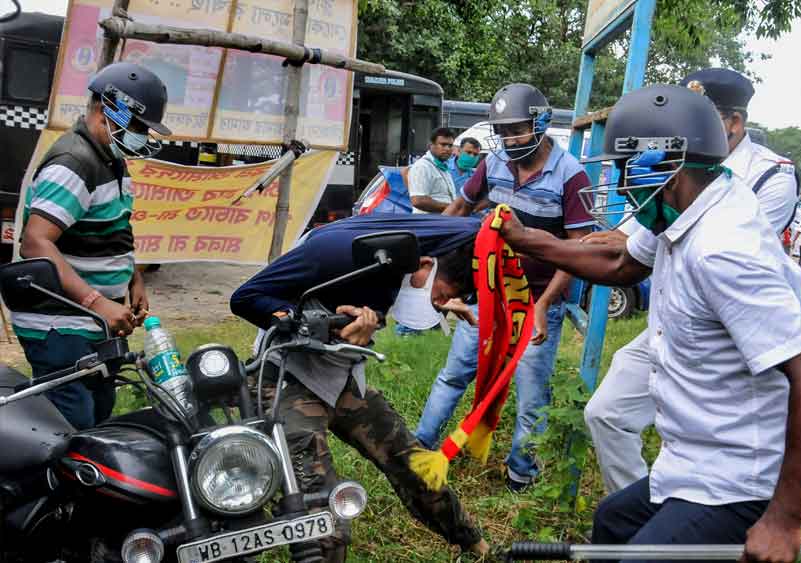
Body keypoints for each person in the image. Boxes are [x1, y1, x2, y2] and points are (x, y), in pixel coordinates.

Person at [498, 84, 801, 563]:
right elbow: (619, 266)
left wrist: (785, 518)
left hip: (741, 481)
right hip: (692, 462)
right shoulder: (685, 212)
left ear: (666, 163)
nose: (618, 186)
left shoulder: (725, 249)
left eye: (624, 168)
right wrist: (529, 240)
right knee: (612, 521)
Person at [583, 67, 801, 495]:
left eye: (697, 114)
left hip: (726, 330)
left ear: (733, 123)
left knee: (705, 441)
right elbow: (638, 239)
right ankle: (645, 510)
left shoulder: (771, 174)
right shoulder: (675, 162)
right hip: (671, 314)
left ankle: (691, 517)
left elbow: (693, 237)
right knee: (607, 413)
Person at [229, 214, 489, 560]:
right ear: (425, 263)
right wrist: (315, 324)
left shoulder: (395, 265)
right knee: (322, 513)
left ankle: (475, 545)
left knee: (416, 466)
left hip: (340, 376)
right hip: (286, 377)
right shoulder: (337, 254)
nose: (440, 302)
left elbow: (483, 228)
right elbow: (246, 296)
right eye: (443, 294)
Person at [415, 83, 595, 491]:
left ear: (542, 123)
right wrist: (430, 247)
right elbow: (459, 208)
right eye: (503, 131)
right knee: (455, 372)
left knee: (531, 393)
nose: (510, 140)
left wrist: (544, 304)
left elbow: (577, 250)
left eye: (518, 130)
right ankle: (418, 446)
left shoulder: (571, 175)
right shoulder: (491, 164)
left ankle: (521, 473)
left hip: (537, 300)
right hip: (488, 294)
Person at [14, 62, 171, 429]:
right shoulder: (74, 163)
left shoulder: (113, 161)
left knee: (101, 412)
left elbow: (113, 227)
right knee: (73, 424)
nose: (141, 136)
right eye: (136, 126)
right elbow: (35, 242)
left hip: (92, 323)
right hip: (57, 321)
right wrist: (97, 302)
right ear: (106, 110)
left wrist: (133, 279)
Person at [408, 127, 457, 214]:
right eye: (443, 144)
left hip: (442, 222)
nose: (447, 149)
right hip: (428, 224)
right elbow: (418, 200)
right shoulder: (423, 166)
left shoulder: (443, 167)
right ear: (431, 145)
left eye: (450, 145)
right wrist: (452, 207)